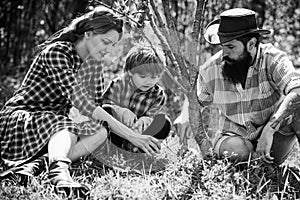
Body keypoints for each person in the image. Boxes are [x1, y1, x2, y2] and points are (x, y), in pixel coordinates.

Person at [0, 6, 161, 190]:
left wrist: (122, 116)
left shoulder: (95, 67)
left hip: (57, 129)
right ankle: (60, 175)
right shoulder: (58, 52)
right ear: (88, 34)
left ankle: (33, 167)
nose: (109, 50)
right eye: (105, 41)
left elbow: (97, 111)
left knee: (99, 131)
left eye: (113, 45)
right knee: (66, 124)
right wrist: (131, 136)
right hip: (23, 120)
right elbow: (82, 103)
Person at [197, 8, 300, 164]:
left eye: (231, 47)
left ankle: (268, 166)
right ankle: (253, 168)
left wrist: (269, 130)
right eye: (222, 46)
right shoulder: (209, 70)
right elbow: (194, 106)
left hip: (272, 140)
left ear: (251, 43)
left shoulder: (273, 59)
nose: (224, 53)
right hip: (233, 139)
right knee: (240, 150)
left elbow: (297, 90)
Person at [101, 46, 171, 152]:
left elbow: (151, 115)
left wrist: (146, 119)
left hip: (139, 132)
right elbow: (103, 106)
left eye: (154, 77)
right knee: (106, 111)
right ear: (130, 72)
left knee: (164, 122)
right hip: (117, 130)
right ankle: (112, 145)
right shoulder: (119, 84)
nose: (149, 82)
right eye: (143, 76)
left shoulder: (158, 95)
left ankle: (138, 147)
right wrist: (121, 111)